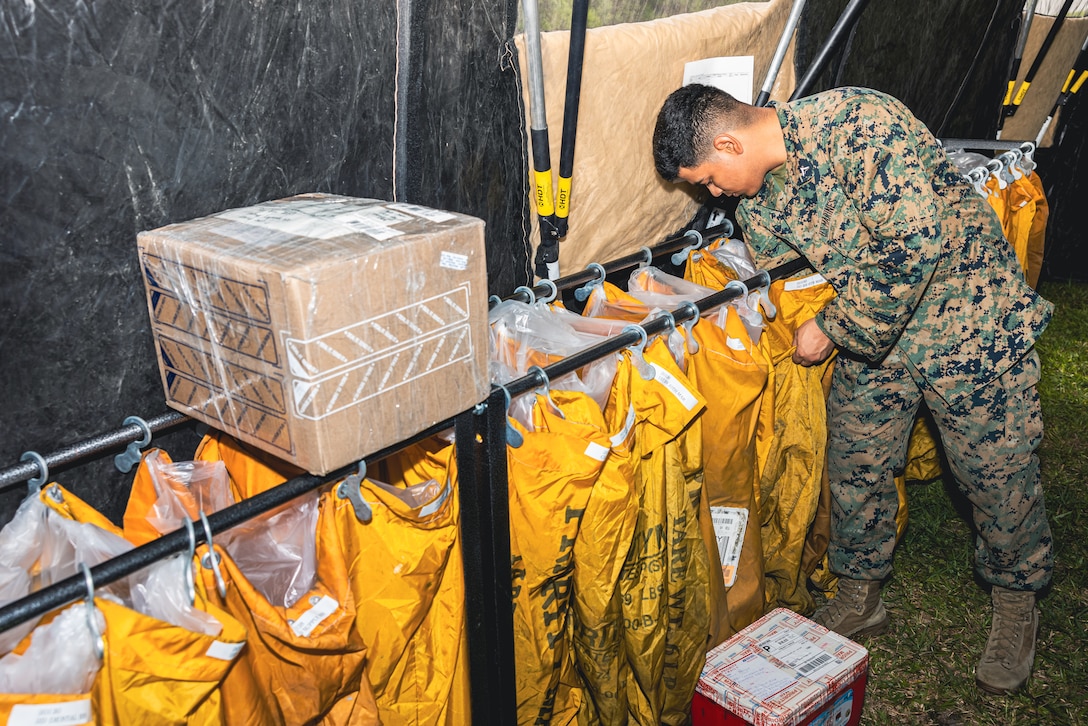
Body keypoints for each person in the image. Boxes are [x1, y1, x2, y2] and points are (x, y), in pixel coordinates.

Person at [652, 83, 1054, 695]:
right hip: (880, 336)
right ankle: (861, 592)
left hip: (967, 317)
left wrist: (831, 328)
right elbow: (783, 278)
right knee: (856, 461)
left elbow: (915, 245)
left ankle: (1016, 603)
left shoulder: (856, 123)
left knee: (996, 472)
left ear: (730, 143)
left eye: (708, 178)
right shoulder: (757, 203)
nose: (712, 193)